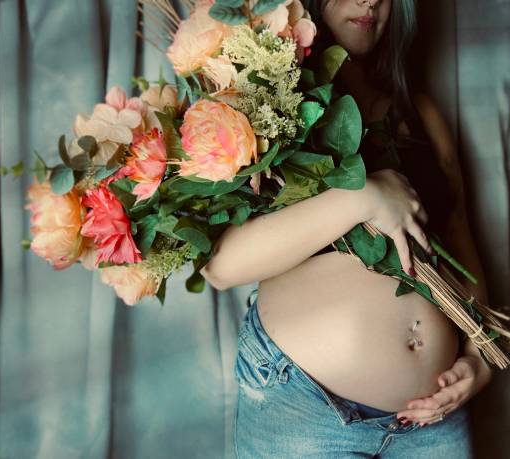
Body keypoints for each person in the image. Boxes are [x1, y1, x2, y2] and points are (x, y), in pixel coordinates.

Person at [202, 0, 494, 457]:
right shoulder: (266, 105)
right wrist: (362, 197)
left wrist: (479, 358)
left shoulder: (418, 113)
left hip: (436, 420)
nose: (370, 1)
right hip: (306, 412)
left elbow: (459, 240)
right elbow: (221, 267)